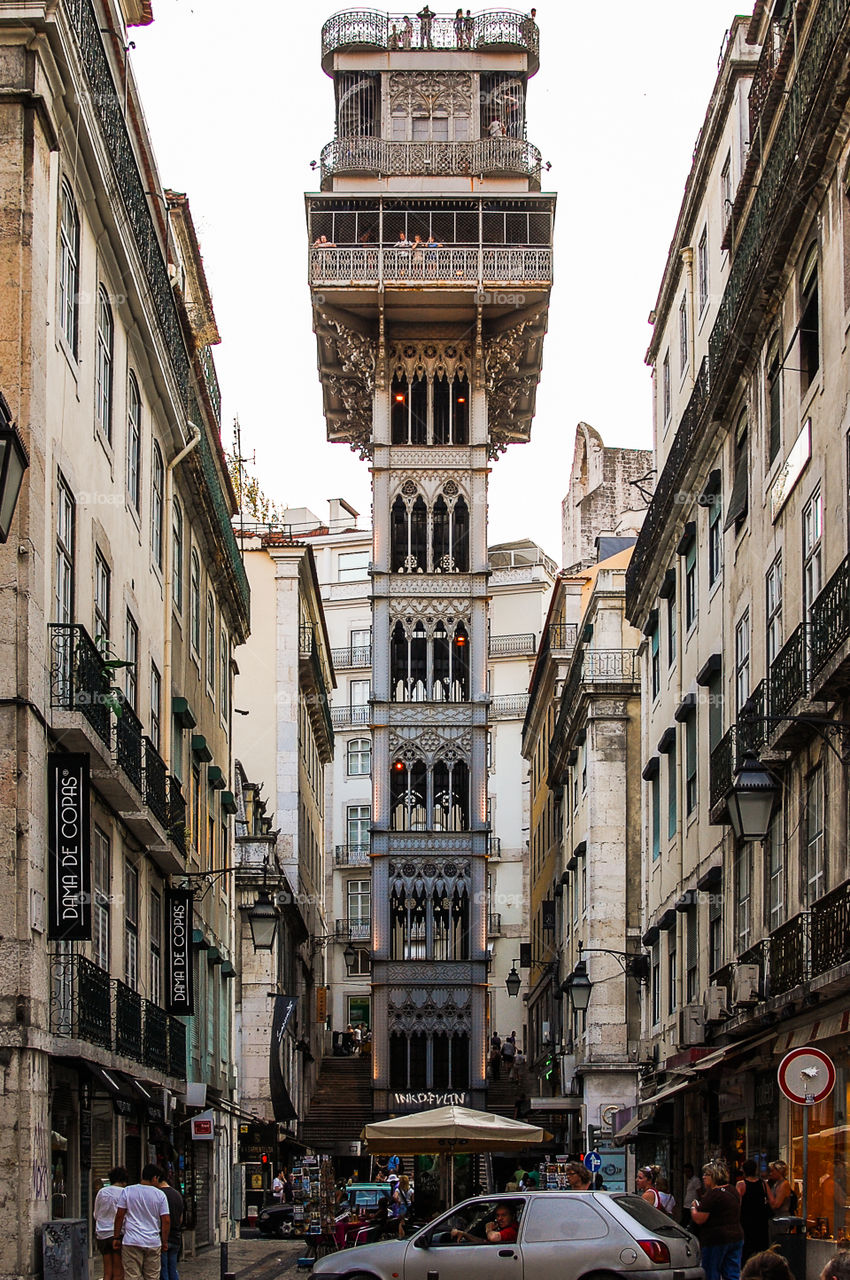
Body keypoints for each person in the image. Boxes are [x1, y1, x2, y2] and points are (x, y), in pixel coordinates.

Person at [113, 1164, 171, 1280]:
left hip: (131, 1241)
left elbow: (119, 1216)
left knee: (132, 1276)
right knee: (152, 1277)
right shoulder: (160, 1195)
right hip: (153, 1242)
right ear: (155, 1178)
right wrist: (164, 1241)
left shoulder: (128, 1191)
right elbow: (166, 1220)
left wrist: (116, 1237)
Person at [690, 1161, 744, 1280]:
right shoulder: (732, 1190)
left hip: (716, 1239)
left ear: (715, 1175)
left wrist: (693, 1207)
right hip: (736, 1236)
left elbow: (699, 1219)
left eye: (707, 1174)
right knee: (732, 1272)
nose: (703, 1177)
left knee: (711, 1272)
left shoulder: (713, 1195)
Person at [94, 1167, 128, 1280]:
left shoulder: (102, 1192)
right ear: (124, 1180)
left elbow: (96, 1214)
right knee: (118, 1273)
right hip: (118, 1234)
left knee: (107, 1272)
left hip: (102, 1234)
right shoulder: (125, 1192)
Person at [736, 1160, 771, 1260]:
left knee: (746, 1250)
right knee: (762, 1250)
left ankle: (746, 1272)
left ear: (744, 1171)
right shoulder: (763, 1184)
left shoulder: (741, 1184)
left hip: (746, 1222)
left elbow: (738, 1204)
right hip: (761, 1222)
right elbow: (772, 1201)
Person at [157, 1173, 183, 1280]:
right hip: (176, 1236)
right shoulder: (177, 1194)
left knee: (163, 1269)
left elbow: (164, 1219)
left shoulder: (159, 1194)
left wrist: (163, 1240)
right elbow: (181, 1218)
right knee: (172, 1268)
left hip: (164, 1237)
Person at [451, 1203, 519, 1243]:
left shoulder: (512, 1230)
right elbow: (483, 1242)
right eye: (497, 1215)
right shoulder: (502, 1229)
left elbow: (493, 1237)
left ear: (512, 1216)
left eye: (503, 1215)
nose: (499, 1218)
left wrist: (488, 1229)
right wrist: (464, 1234)